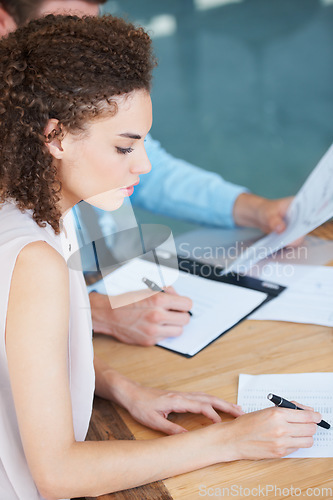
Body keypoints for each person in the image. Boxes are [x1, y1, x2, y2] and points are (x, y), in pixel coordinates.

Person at [0, 14, 320, 500]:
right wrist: (230, 439)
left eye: (144, 141)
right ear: (55, 136)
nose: (144, 164)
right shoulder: (36, 260)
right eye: (124, 146)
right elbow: (58, 472)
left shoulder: (34, 204)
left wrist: (121, 387)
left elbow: (21, 359)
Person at [0, 0, 297, 348]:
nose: (82, 43)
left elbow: (146, 168)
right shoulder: (25, 235)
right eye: (64, 25)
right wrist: (92, 310)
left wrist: (253, 208)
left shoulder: (91, 113)